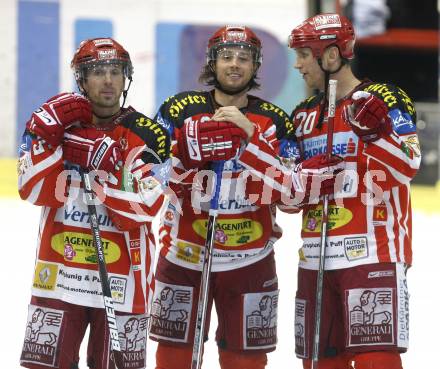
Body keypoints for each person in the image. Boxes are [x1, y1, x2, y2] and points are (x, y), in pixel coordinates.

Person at [149, 25, 341, 369]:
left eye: (243, 58)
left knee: (246, 361)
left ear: (256, 66)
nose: (234, 64)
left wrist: (251, 136)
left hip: (250, 260)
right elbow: (149, 177)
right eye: (226, 57)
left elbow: (291, 195)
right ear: (212, 62)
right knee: (173, 357)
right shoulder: (178, 110)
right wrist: (184, 157)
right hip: (184, 257)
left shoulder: (275, 121)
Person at [239, 13, 421, 369]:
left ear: (332, 56)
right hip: (315, 260)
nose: (297, 64)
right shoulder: (303, 115)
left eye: (305, 54)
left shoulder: (386, 98)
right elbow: (289, 198)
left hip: (373, 254)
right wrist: (302, 175)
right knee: (318, 363)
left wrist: (375, 135)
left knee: (376, 361)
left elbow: (408, 164)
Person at [18, 37, 170, 369]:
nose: (108, 80)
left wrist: (107, 164)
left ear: (125, 77)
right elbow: (31, 189)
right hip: (59, 276)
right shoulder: (59, 127)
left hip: (126, 285)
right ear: (82, 80)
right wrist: (44, 134)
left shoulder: (150, 134)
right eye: (97, 71)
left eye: (115, 71)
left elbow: (147, 205)